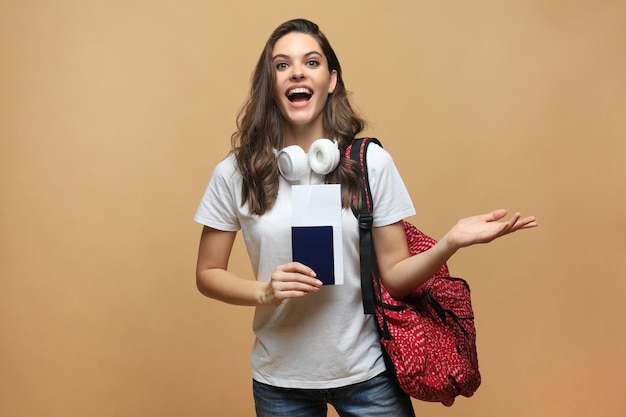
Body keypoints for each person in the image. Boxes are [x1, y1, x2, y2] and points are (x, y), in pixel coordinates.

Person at [194, 18, 537, 417]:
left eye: (312, 62)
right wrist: (264, 293)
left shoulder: (370, 162)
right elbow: (207, 273)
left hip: (367, 375)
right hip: (279, 381)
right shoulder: (237, 171)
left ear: (331, 79)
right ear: (269, 83)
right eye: (282, 65)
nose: (298, 72)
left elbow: (395, 275)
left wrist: (451, 242)